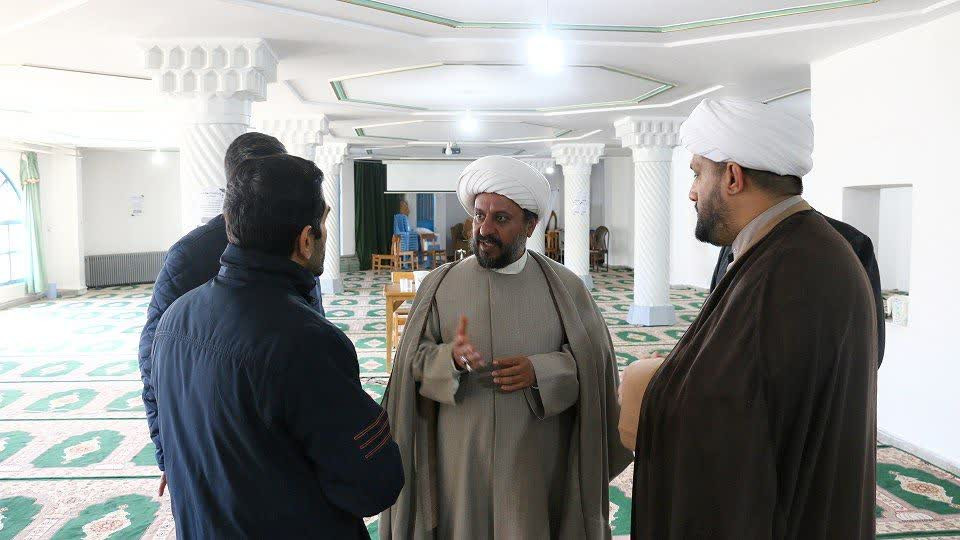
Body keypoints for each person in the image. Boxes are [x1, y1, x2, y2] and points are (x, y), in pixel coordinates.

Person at [628, 98, 877, 539]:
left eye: (696, 173)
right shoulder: (793, 248)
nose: (691, 192)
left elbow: (741, 420)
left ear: (732, 177)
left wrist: (650, 389)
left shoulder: (793, 266)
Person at [379, 155, 631, 539]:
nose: (484, 229)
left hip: (535, 461)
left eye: (500, 218)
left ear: (530, 225)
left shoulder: (566, 288)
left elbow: (593, 369)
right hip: (460, 460)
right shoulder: (439, 284)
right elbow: (411, 365)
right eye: (479, 216)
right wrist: (450, 359)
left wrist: (540, 371)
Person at [152, 154, 403, 539]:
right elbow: (373, 486)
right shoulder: (305, 341)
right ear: (305, 240)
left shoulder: (175, 319)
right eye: (323, 222)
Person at [138, 132, 326, 491]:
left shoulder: (297, 247)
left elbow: (312, 318)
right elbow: (154, 358)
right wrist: (169, 451)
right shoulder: (191, 254)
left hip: (284, 434)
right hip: (214, 437)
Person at [709, 216, 886, 365]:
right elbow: (713, 328)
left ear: (735, 184)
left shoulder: (850, 242)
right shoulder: (734, 243)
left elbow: (867, 353)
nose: (695, 194)